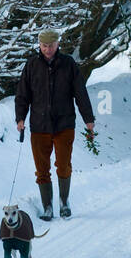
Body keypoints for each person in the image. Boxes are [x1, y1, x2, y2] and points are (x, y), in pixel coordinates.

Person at [15, 29, 95, 219]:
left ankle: (64, 202)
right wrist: (20, 118)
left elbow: (80, 93)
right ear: (39, 45)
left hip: (64, 124)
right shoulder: (32, 65)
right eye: (44, 46)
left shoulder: (68, 64)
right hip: (39, 125)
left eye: (51, 45)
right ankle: (48, 207)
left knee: (63, 165)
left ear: (58, 44)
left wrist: (88, 119)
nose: (48, 49)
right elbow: (22, 94)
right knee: (42, 169)